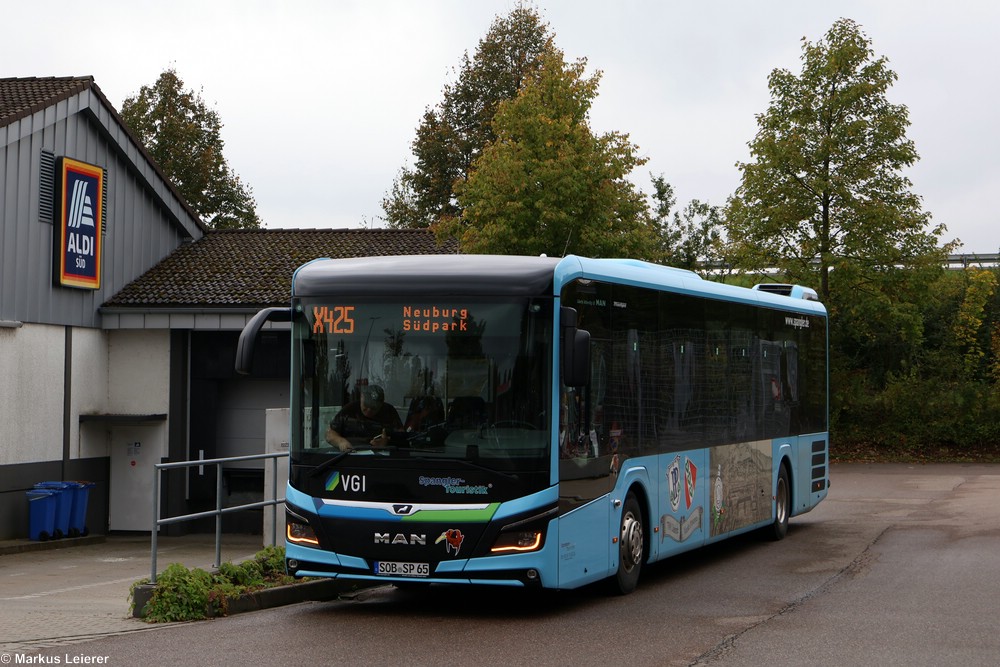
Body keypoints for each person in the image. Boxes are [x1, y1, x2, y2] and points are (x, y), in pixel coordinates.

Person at [325, 385, 403, 451]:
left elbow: (403, 438)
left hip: (380, 460)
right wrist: (340, 441)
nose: (368, 411)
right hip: (350, 456)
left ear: (382, 404)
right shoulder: (349, 410)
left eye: (373, 408)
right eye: (366, 405)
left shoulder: (389, 411)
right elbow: (330, 434)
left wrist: (387, 443)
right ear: (361, 397)